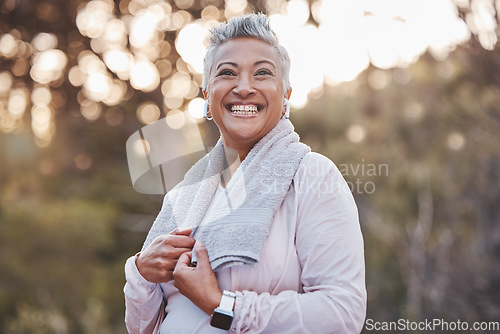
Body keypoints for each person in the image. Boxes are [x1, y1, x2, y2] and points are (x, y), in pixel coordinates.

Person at [124, 13, 366, 334]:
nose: (244, 87)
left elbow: (342, 312)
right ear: (208, 97)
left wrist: (222, 305)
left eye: (262, 73)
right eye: (227, 73)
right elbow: (144, 328)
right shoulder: (182, 197)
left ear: (286, 97)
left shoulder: (311, 176)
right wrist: (141, 273)